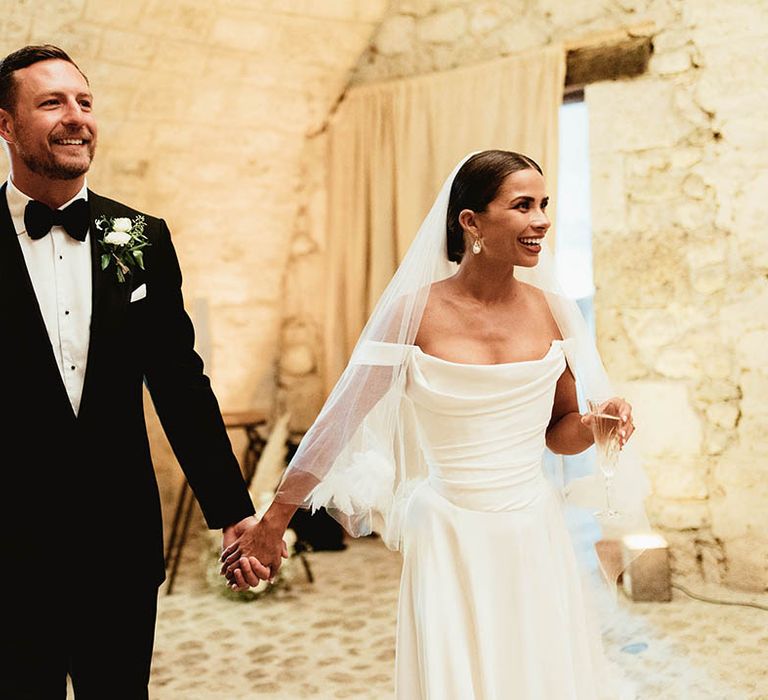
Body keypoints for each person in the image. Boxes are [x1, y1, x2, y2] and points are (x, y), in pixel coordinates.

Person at [222, 150, 650, 698]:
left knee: (539, 671)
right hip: (450, 529)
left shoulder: (555, 312)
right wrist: (274, 521)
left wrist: (596, 424)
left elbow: (559, 431)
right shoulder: (413, 312)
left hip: (532, 527)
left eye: (544, 204)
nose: (541, 219)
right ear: (470, 222)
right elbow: (339, 421)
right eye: (522, 206)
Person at [0, 45, 266, 699]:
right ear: (5, 124)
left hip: (116, 545)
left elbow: (179, 380)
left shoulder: (136, 236)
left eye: (84, 102)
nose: (75, 117)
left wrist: (231, 509)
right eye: (52, 102)